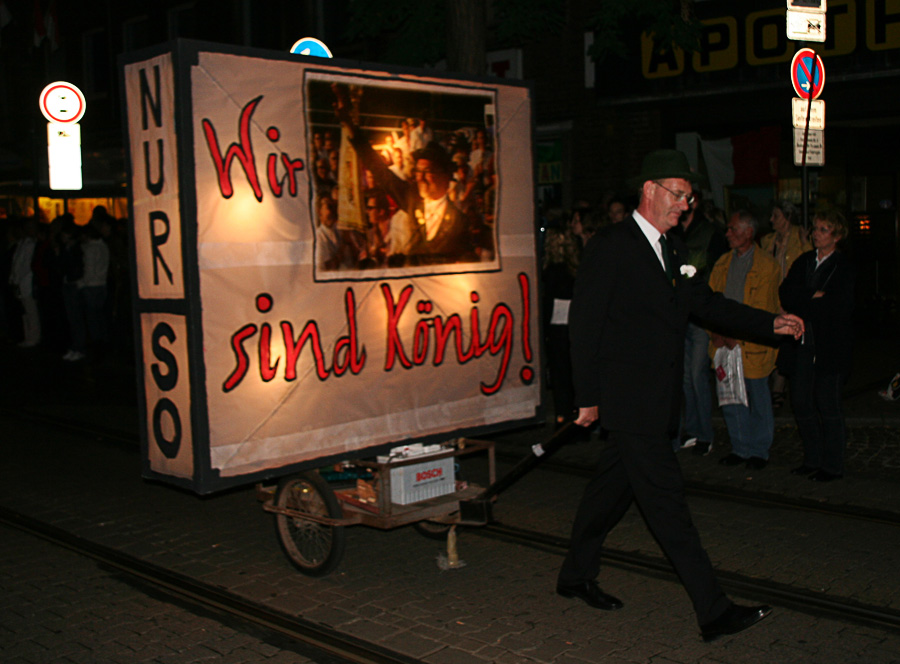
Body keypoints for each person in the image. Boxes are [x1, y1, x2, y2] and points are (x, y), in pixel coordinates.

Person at [559, 149, 804, 642]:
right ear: (649, 190)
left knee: (608, 493)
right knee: (669, 507)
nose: (685, 206)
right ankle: (713, 612)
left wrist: (769, 324)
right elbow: (583, 325)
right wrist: (586, 396)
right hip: (631, 404)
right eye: (678, 194)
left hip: (655, 400)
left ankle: (574, 575)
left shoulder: (670, 250)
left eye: (689, 198)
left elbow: (706, 304)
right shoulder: (612, 244)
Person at [778, 208, 855, 482]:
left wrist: (807, 300)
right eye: (815, 229)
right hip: (801, 343)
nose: (816, 234)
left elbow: (838, 306)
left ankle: (832, 465)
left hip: (829, 347)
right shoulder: (804, 261)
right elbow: (787, 293)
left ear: (836, 236)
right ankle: (812, 458)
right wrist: (813, 295)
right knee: (800, 402)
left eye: (823, 230)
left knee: (828, 405)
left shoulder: (843, 267)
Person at [708, 210, 781, 470]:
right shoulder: (722, 263)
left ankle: (759, 450)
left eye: (733, 229)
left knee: (757, 397)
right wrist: (716, 332)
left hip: (751, 345)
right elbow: (709, 302)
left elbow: (764, 307)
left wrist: (738, 335)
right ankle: (740, 447)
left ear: (749, 232)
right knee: (731, 397)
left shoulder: (767, 266)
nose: (728, 234)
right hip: (723, 343)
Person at [670, 192, 728, 455]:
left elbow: (714, 272)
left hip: (700, 313)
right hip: (680, 313)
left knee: (697, 375)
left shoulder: (709, 232)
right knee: (685, 378)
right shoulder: (672, 230)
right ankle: (692, 431)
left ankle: (705, 433)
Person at [761, 200, 811, 410]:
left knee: (787, 342)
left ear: (787, 217)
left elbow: (809, 263)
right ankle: (775, 386)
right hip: (772, 296)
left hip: (792, 297)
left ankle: (779, 388)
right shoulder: (767, 240)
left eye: (776, 216)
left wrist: (805, 242)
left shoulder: (800, 237)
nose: (772, 220)